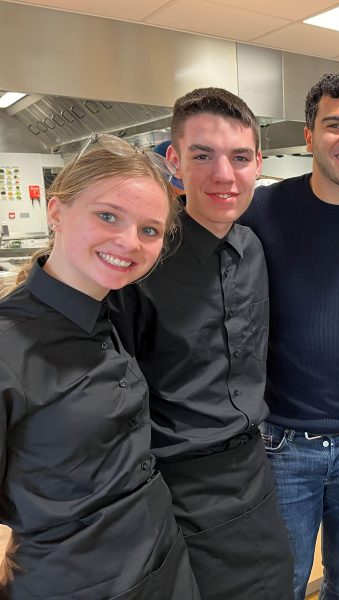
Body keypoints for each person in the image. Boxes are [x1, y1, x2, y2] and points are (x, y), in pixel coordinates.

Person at [109, 88, 293, 599]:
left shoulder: (252, 248)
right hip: (177, 485)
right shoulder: (141, 263)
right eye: (202, 155)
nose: (224, 175)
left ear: (258, 163)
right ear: (174, 161)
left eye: (239, 158)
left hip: (255, 472)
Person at [0, 135, 200, 599]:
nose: (129, 242)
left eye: (149, 230)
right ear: (57, 212)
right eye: (108, 215)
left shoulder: (108, 313)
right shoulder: (9, 348)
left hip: (164, 567)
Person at [239, 71, 339, 600]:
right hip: (283, 443)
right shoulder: (262, 210)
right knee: (279, 584)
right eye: (334, 125)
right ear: (309, 136)